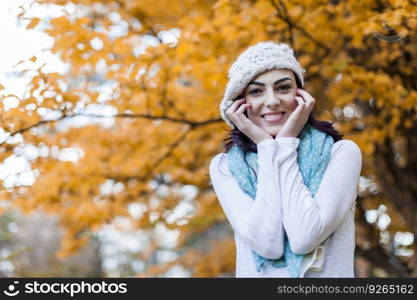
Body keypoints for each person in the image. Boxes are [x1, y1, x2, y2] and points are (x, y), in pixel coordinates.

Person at [209, 41, 362, 277]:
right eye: (257, 91)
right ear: (240, 103)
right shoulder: (225, 167)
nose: (271, 101)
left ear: (301, 95)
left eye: (283, 88)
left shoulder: (341, 153)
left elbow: (304, 238)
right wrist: (267, 147)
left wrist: (284, 144)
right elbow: (267, 244)